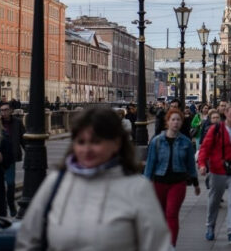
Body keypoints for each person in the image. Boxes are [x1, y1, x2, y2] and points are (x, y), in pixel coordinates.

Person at [15, 107, 170, 251]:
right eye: (81, 142)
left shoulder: (137, 188)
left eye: (96, 142)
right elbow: (28, 239)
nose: (87, 149)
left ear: (116, 143)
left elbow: (158, 245)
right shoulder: (56, 182)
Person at [144, 108, 200, 247]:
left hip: (178, 183)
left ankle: (171, 246)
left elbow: (191, 165)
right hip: (159, 182)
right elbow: (150, 165)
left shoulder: (186, 142)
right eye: (173, 119)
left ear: (181, 123)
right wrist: (145, 184)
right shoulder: (156, 141)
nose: (175, 122)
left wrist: (196, 183)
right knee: (161, 216)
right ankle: (161, 243)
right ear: (167, 122)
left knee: (172, 213)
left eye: (178, 120)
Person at [198, 103, 231, 245]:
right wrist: (202, 164)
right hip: (217, 170)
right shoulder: (215, 129)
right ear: (226, 114)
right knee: (214, 201)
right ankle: (210, 227)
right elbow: (205, 148)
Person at [0, 101, 26, 217]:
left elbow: (23, 138)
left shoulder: (17, 123)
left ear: (10, 111)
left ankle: (11, 206)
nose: (3, 112)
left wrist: (28, 151)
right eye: (1, 110)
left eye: (5, 110)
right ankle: (1, 208)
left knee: (10, 184)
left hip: (10, 158)